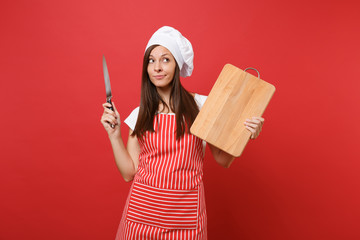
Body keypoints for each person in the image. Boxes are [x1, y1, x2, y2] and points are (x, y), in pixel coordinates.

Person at [100, 26, 264, 240]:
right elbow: (128, 173)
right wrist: (114, 136)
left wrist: (244, 134)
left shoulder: (202, 106)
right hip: (141, 216)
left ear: (178, 64)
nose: (157, 67)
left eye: (165, 59)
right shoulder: (140, 113)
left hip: (185, 217)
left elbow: (223, 159)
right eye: (151, 60)